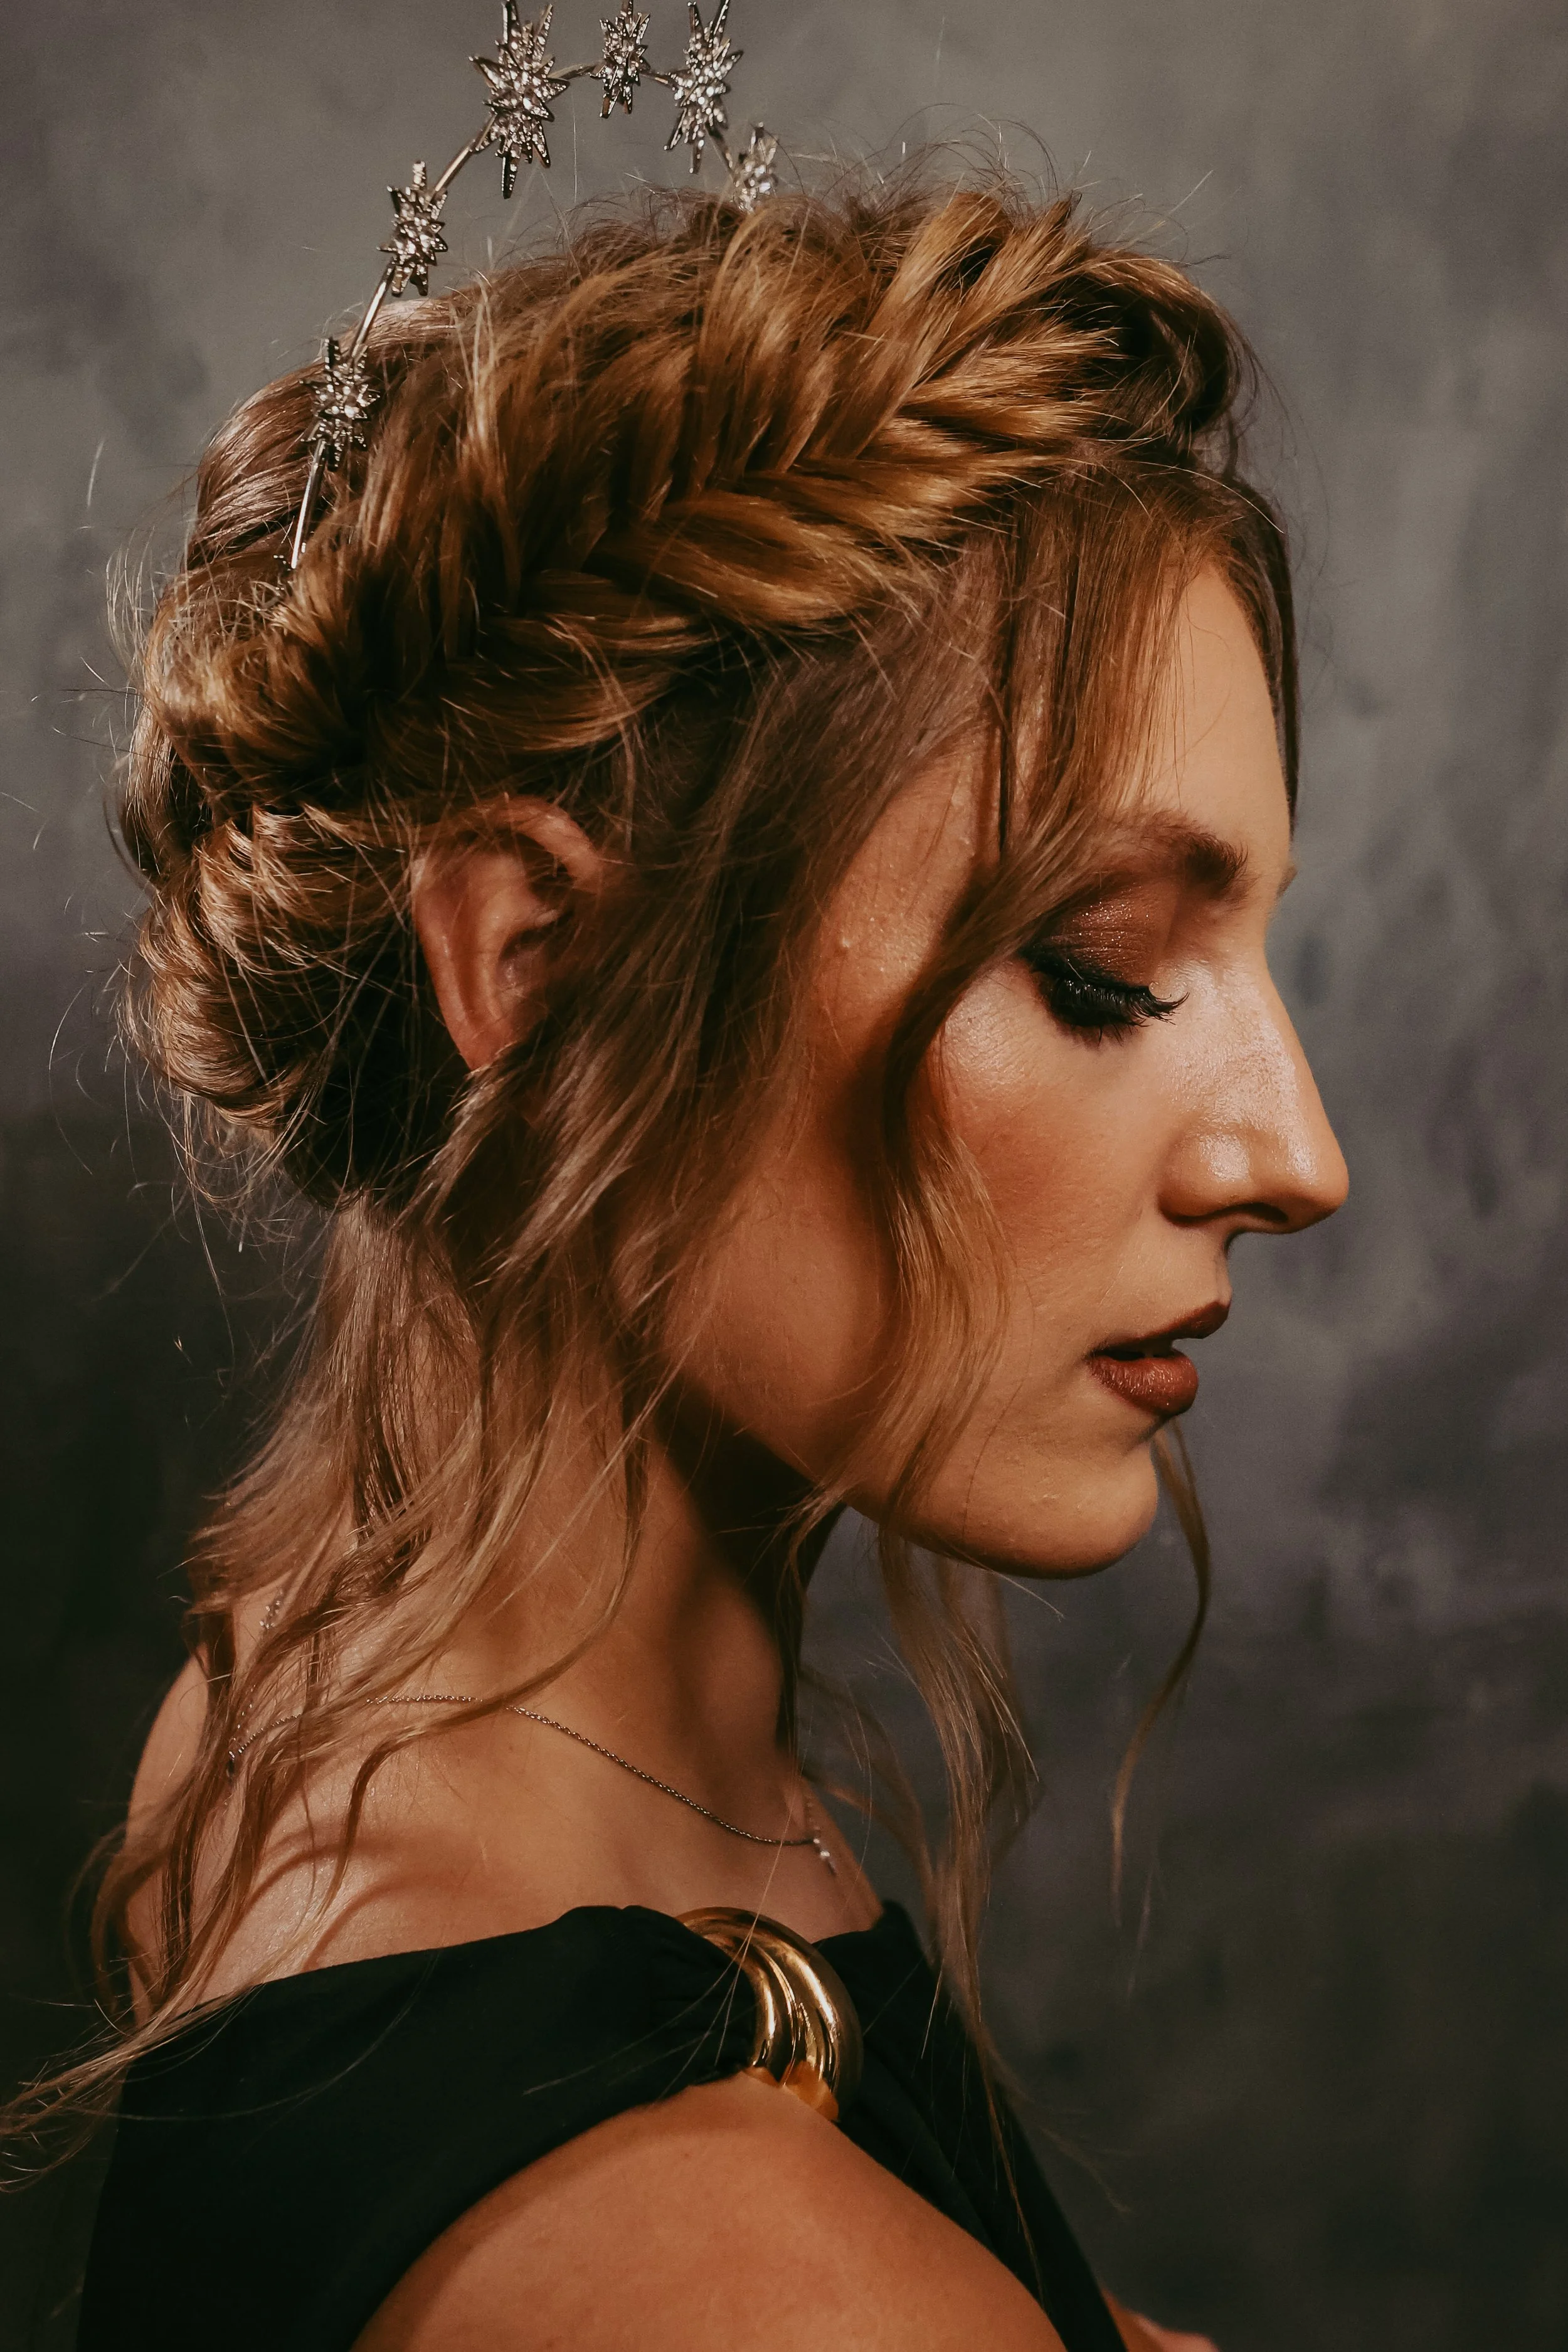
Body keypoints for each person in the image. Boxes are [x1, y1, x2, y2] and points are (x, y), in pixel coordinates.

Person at [52, 164, 1345, 2351]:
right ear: (542, 968)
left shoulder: (312, 1698)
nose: (1291, 1152)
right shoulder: (713, 2277)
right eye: (1102, 968)